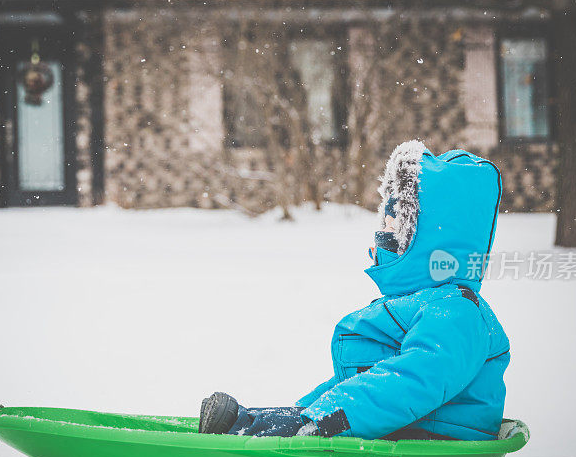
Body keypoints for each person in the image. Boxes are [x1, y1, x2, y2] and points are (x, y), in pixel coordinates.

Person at [199, 140, 510, 441]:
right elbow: (360, 383)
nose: (382, 233)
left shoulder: (456, 310)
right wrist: (298, 412)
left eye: (394, 225)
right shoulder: (422, 302)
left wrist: (319, 421)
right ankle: (251, 425)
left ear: (424, 240)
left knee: (314, 423)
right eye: (384, 223)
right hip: (405, 422)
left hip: (438, 435)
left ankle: (253, 431)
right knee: (297, 419)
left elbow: (411, 382)